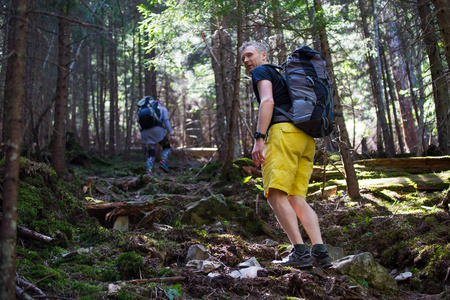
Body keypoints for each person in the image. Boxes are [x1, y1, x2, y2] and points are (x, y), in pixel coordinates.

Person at [240, 41, 332, 268]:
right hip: (305, 139)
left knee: (275, 195)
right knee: (296, 198)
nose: (246, 61)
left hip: (283, 135)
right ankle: (320, 253)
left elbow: (267, 101)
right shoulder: (284, 77)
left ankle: (299, 252)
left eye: (250, 55)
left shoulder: (262, 71)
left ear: (264, 55)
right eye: (242, 58)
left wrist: (259, 137)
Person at [139, 96, 174, 175]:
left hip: (145, 134)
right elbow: (166, 121)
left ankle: (149, 172)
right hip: (158, 132)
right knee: (167, 148)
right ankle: (162, 162)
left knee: (151, 154)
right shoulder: (162, 109)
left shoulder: (142, 111)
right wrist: (171, 134)